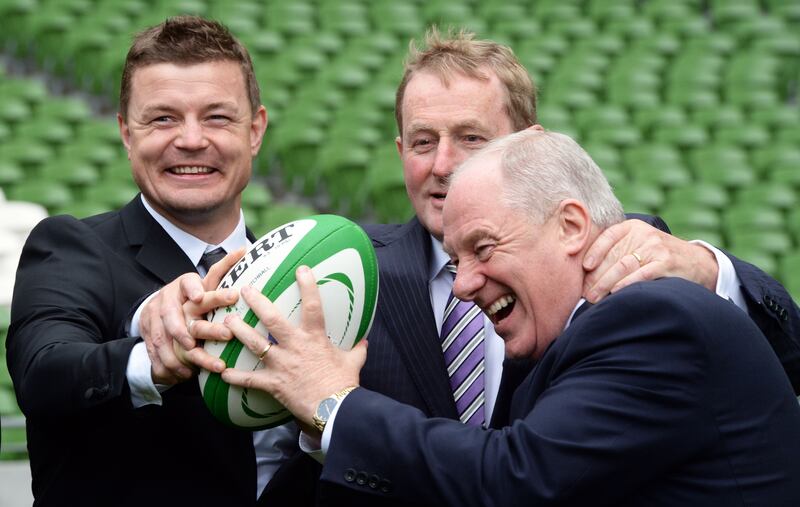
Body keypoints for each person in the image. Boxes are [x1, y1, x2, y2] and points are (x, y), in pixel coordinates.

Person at [221, 129, 800, 506]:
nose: (465, 285)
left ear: (571, 226)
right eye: (454, 260)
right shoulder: (576, 338)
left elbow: (512, 482)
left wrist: (334, 402)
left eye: (484, 248)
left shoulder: (650, 318)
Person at [6, 16, 317, 507]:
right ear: (127, 133)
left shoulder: (303, 282)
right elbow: (44, 375)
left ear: (255, 130)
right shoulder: (69, 247)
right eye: (163, 118)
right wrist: (152, 356)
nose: (191, 140)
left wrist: (320, 425)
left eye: (217, 117)